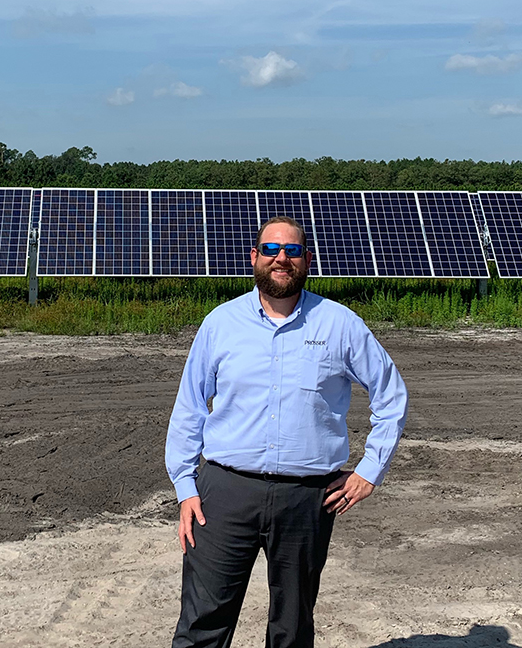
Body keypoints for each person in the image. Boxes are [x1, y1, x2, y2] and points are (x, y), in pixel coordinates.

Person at [165, 216, 408, 648]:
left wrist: (370, 471)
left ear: (306, 260)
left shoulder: (340, 325)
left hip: (307, 498)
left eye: (293, 251)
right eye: (272, 249)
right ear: (254, 257)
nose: (282, 258)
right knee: (203, 623)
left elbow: (391, 396)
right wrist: (185, 486)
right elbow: (189, 408)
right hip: (224, 494)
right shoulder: (220, 324)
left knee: (292, 627)